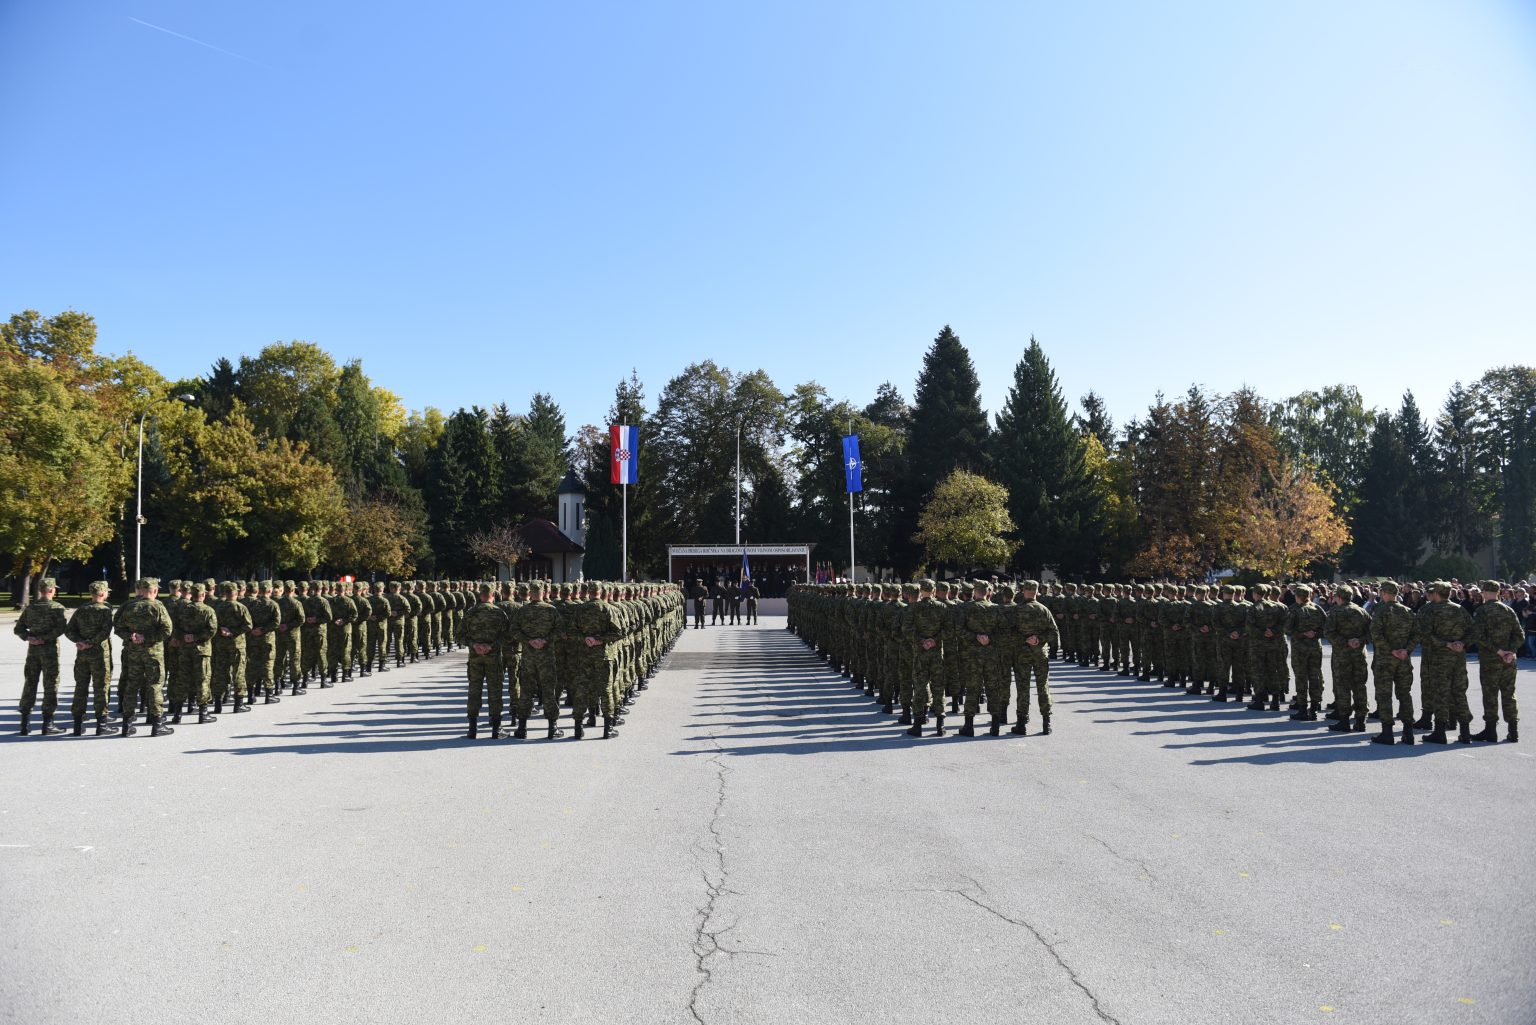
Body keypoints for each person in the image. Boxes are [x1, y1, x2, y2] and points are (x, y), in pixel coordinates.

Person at [113, 577, 175, 737]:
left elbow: (118, 628)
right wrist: (146, 638)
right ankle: (157, 724)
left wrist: (132, 636)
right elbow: (167, 630)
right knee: (155, 685)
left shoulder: (130, 607)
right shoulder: (157, 606)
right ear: (154, 591)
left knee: (132, 685)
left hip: (134, 652)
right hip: (153, 653)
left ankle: (127, 725)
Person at [13, 577, 68, 735]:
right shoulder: (57, 608)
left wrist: (29, 637)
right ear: (51, 590)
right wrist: (44, 639)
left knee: (30, 684)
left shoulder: (31, 608)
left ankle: (24, 723)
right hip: (49, 651)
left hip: (33, 651)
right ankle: (47, 723)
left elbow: (18, 629)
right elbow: (60, 629)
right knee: (50, 685)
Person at [1470, 580, 1522, 743]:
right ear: (1498, 593)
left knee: (1490, 694)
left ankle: (1490, 731)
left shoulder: (1482, 611)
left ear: (1485, 592)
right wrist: (1511, 651)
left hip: (1491, 660)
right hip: (1508, 660)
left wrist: (1498, 651)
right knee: (1509, 694)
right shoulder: (1509, 610)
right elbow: (1519, 635)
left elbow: (1478, 635)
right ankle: (1513, 731)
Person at [1368, 580, 1417, 746]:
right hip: (1403, 659)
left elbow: (1376, 634)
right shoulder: (1408, 611)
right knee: (1404, 694)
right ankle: (1408, 732)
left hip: (1385, 659)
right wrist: (1406, 650)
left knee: (1384, 695)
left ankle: (1387, 732)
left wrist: (1391, 650)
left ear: (1383, 593)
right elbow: (1416, 635)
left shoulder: (1379, 610)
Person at [65, 581, 117, 736]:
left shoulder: (81, 610)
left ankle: (77, 724)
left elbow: (68, 631)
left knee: (81, 687)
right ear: (102, 593)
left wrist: (80, 642)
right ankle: (101, 725)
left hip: (82, 655)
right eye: (106, 592)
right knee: (101, 688)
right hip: (99, 655)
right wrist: (89, 643)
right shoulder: (105, 611)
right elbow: (105, 632)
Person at [1324, 585, 1371, 733]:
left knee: (1343, 687)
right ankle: (1360, 720)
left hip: (1342, 656)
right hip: (1359, 654)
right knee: (1360, 686)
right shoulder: (1361, 611)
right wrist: (1360, 640)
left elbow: (1328, 633)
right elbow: (1371, 631)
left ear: (1338, 597)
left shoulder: (1335, 612)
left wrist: (1345, 642)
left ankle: (1344, 720)